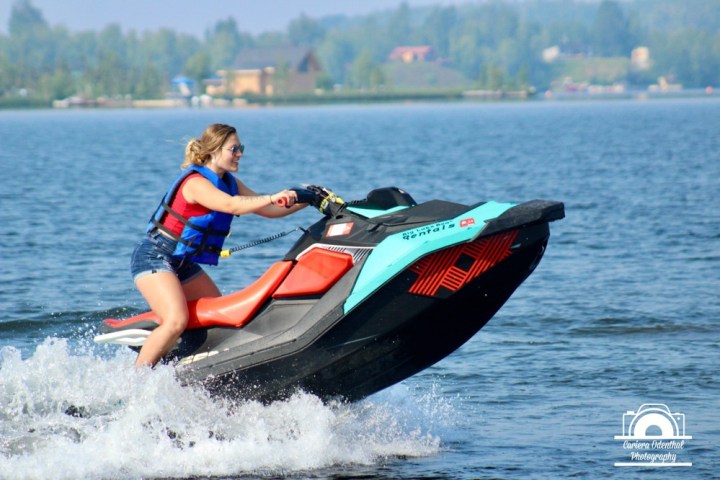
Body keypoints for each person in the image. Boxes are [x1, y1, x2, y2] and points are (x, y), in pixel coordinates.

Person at [130, 123, 306, 367]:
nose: (240, 154)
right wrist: (271, 196)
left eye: (240, 148)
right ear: (214, 150)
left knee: (220, 320)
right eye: (234, 149)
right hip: (155, 257)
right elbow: (232, 205)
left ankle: (188, 368)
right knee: (175, 320)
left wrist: (307, 199)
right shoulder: (195, 183)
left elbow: (269, 209)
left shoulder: (230, 182)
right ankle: (136, 384)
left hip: (183, 263)